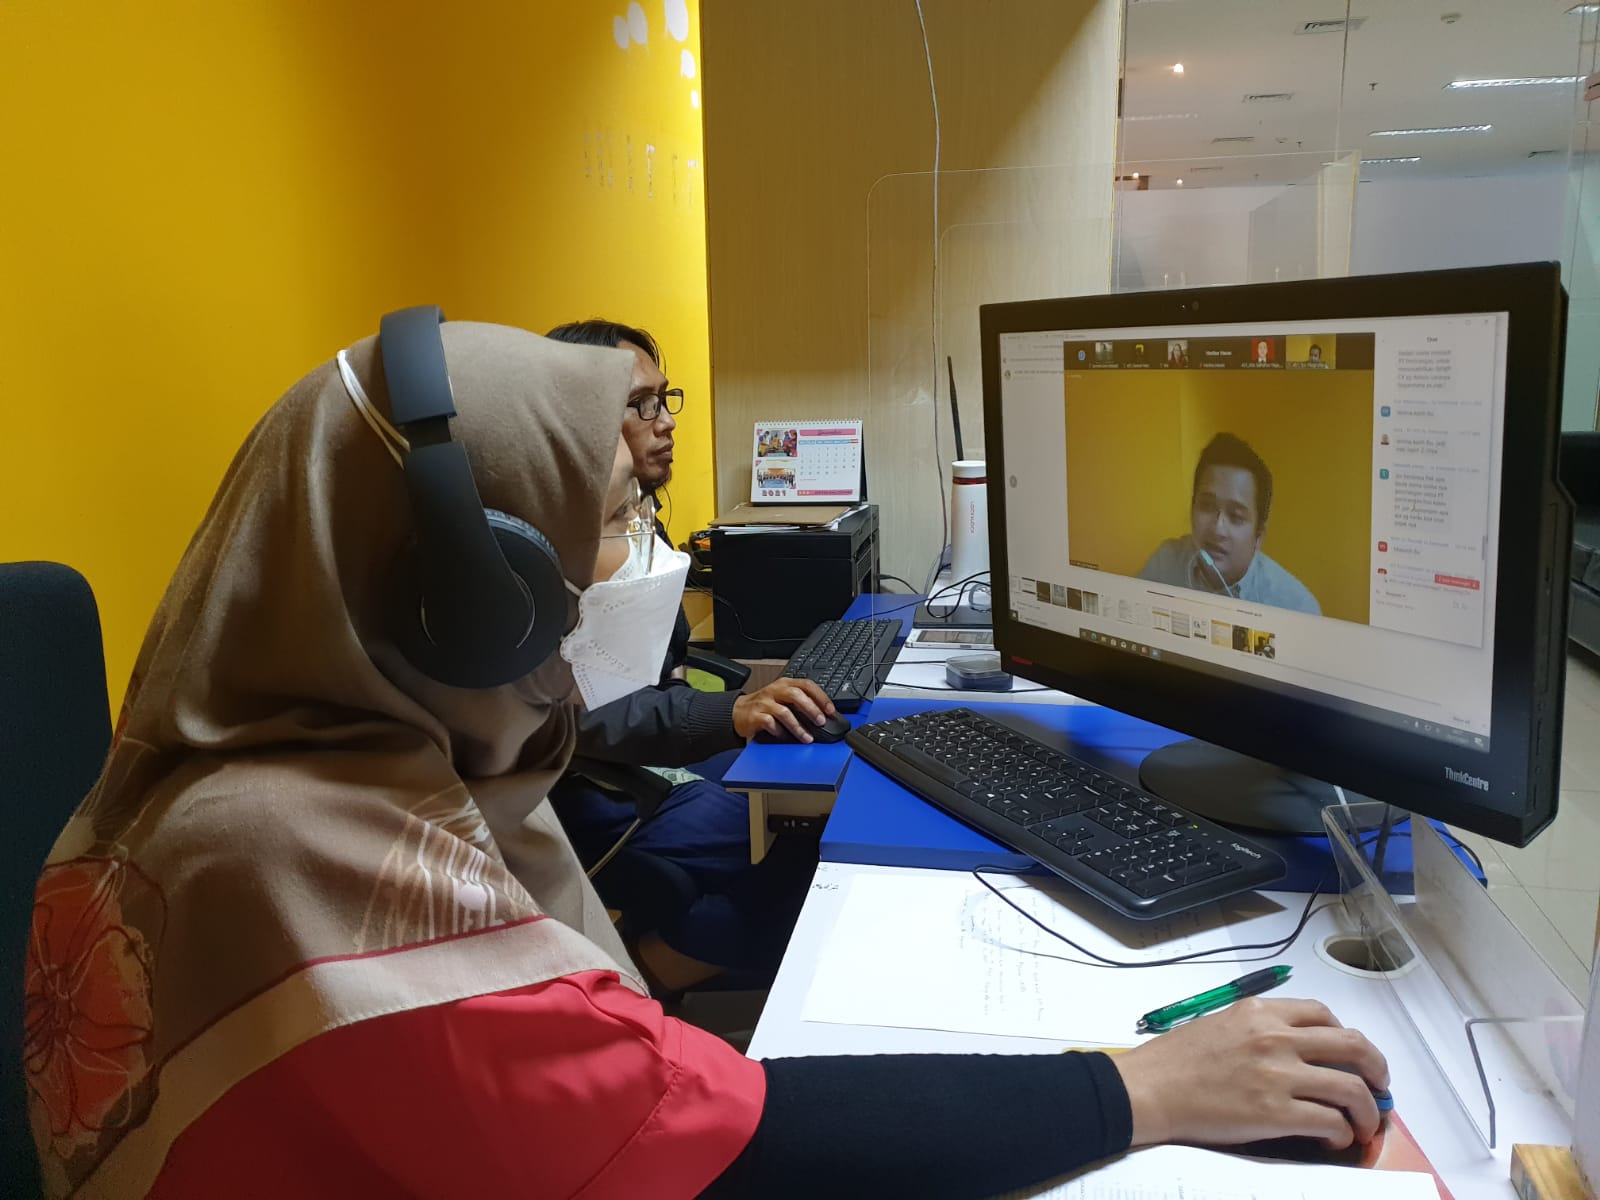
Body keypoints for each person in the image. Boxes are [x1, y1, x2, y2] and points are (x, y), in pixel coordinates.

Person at [25, 320, 1391, 1198]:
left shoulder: (281, 770)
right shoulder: (297, 857)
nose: (592, 591)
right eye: (594, 537)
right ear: (459, 605)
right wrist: (1142, 1087)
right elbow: (712, 1141)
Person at [542, 319, 828, 990]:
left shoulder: (637, 516)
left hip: (648, 750)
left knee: (813, 788)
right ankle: (645, 978)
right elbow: (581, 715)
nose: (664, 422)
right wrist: (730, 713)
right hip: (597, 784)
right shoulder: (548, 553)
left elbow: (651, 672)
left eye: (663, 399)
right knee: (794, 837)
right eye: (639, 405)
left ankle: (673, 949)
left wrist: (729, 710)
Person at [1138, 432, 1321, 614]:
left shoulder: (1296, 607)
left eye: (1236, 516)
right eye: (1207, 505)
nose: (1218, 529)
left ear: (1259, 536)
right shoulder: (1165, 564)